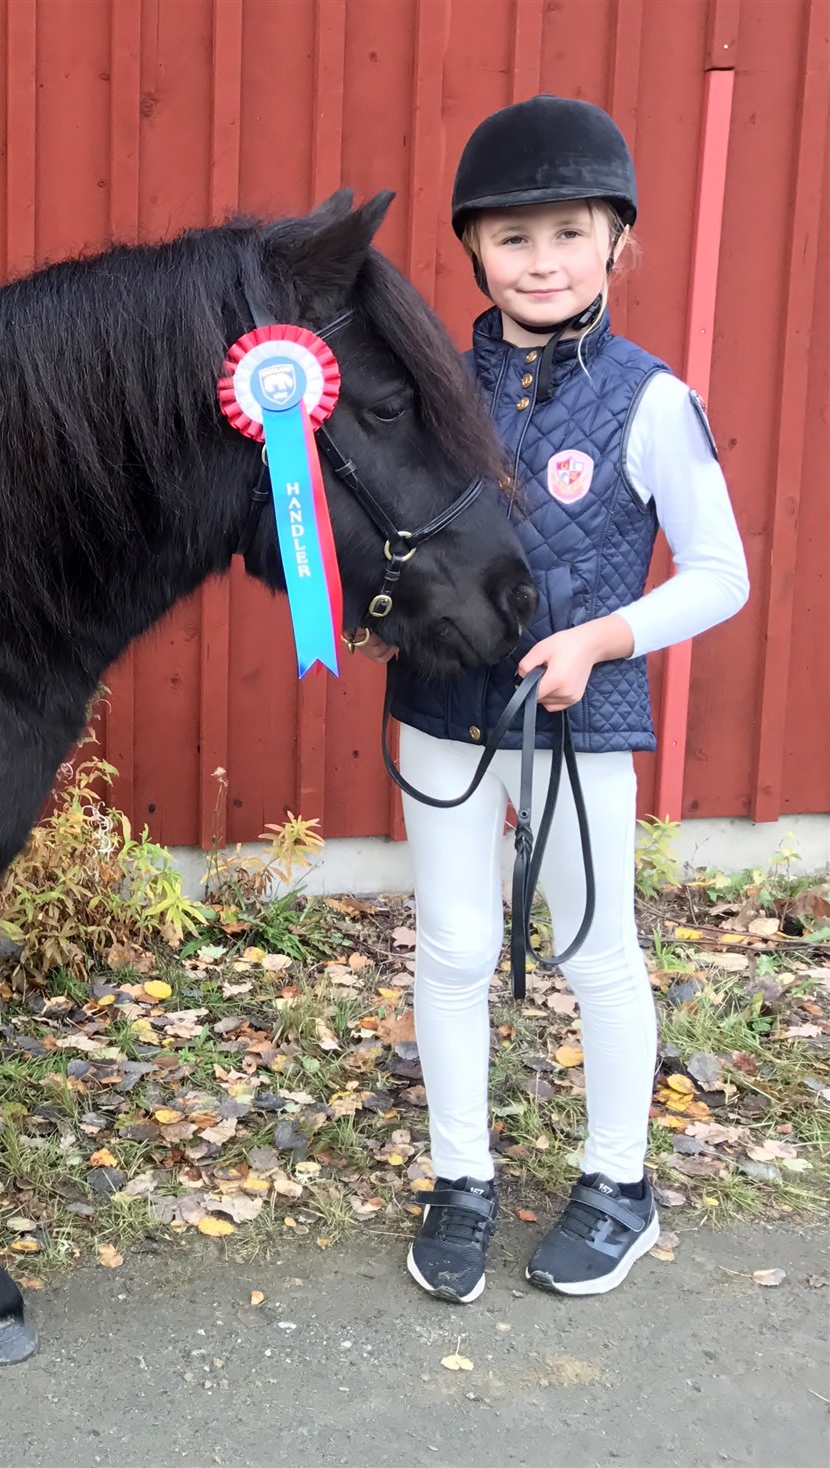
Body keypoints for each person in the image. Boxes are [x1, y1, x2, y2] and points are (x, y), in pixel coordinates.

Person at [350, 94, 750, 1302]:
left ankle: (615, 1181)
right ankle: (459, 1174)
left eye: (567, 234)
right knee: (457, 945)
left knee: (593, 950)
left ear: (614, 242)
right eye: (512, 238)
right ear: (472, 247)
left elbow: (720, 575)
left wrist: (598, 639)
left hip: (582, 716)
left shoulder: (648, 399)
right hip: (442, 708)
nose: (539, 261)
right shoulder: (425, 380)